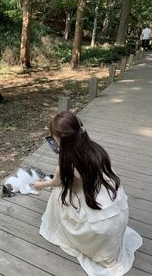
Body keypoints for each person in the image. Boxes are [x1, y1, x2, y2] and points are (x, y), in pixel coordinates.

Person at [33, 111, 142, 276]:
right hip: (111, 204)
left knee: (58, 191)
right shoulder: (95, 150)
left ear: (59, 139)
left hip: (94, 213)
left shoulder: (66, 165)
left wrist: (39, 185)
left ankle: (67, 230)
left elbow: (55, 182)